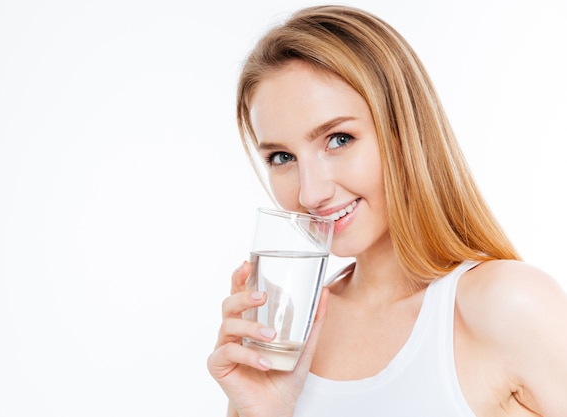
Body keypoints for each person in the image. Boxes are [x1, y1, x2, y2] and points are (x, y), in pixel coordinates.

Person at [207, 5, 567, 416]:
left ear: (404, 135)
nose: (310, 193)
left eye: (339, 139)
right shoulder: (285, 337)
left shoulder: (507, 306)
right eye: (282, 157)